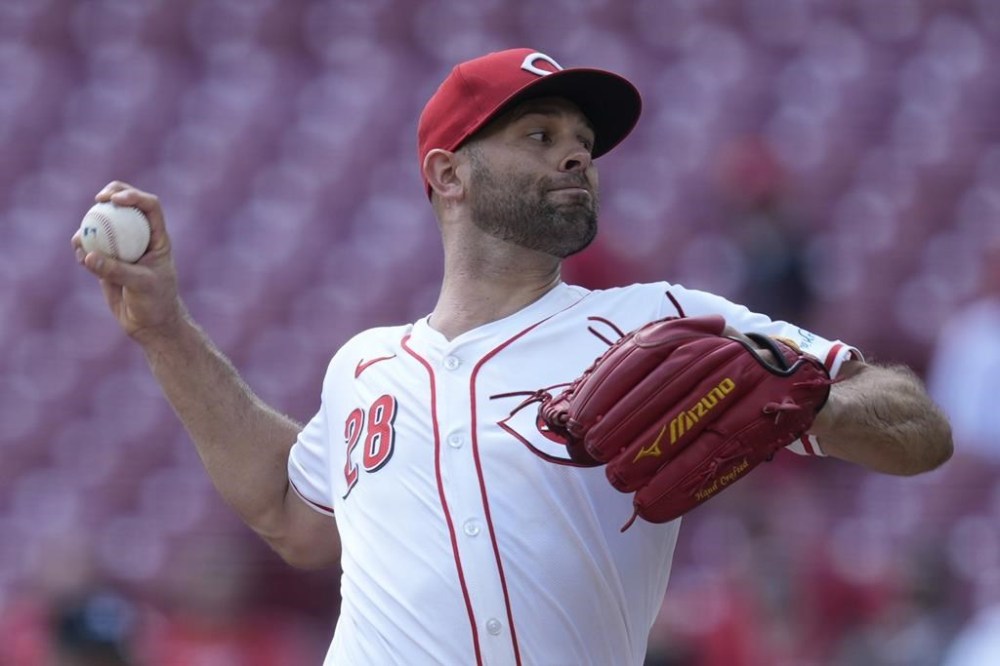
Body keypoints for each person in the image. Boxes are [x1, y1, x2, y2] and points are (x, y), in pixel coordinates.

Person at [72, 48, 953, 665]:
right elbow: (288, 514)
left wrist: (800, 398)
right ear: (449, 176)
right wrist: (164, 329)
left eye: (582, 140)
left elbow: (917, 429)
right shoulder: (365, 366)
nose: (577, 151)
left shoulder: (664, 320)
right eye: (539, 135)